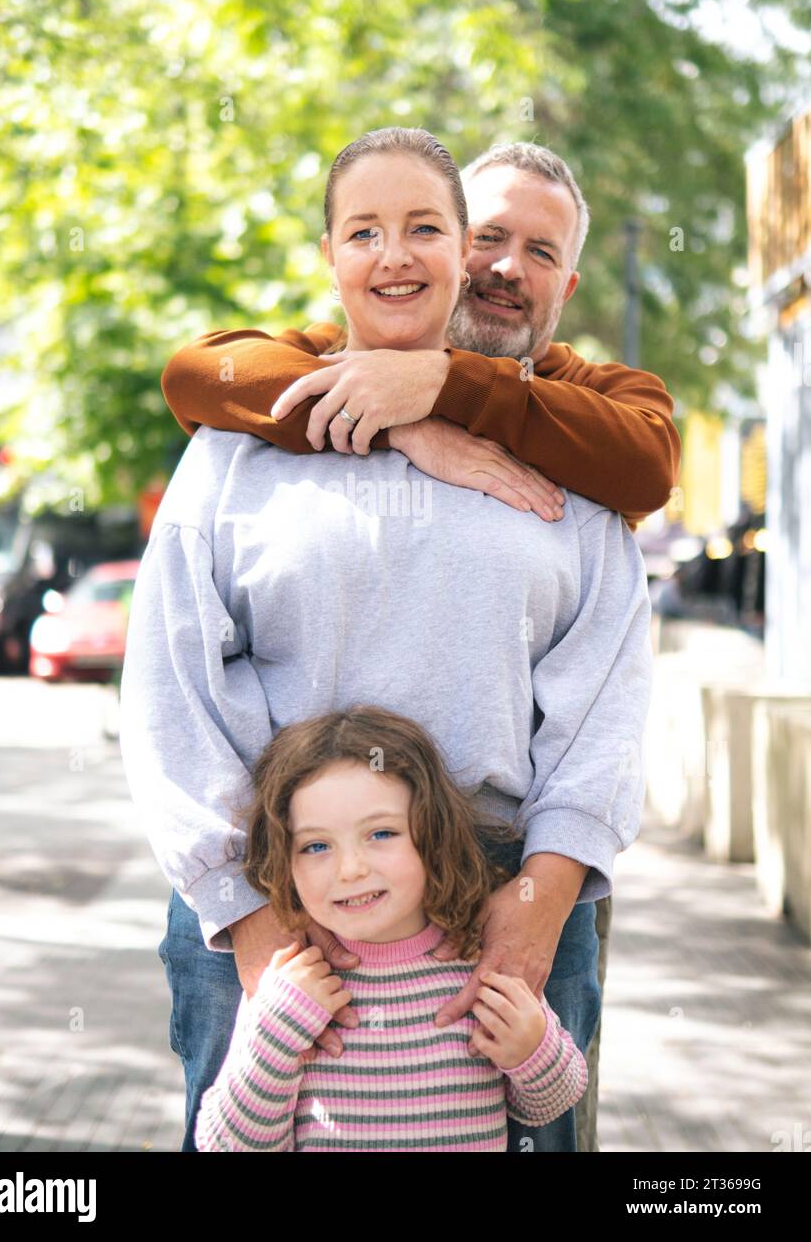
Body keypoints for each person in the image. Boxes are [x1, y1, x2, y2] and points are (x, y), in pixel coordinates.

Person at [119, 127, 657, 1156]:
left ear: (457, 256)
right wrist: (240, 909)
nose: (397, 255)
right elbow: (169, 687)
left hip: (505, 892)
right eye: (364, 231)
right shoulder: (243, 445)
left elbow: (606, 706)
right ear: (329, 255)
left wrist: (541, 901)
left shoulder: (571, 453)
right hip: (277, 887)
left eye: (424, 230)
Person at [195, 705, 588, 1152]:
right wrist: (274, 1035)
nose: (351, 868)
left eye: (381, 834)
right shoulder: (290, 985)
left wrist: (531, 1049)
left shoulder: (484, 963)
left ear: (432, 833)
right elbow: (228, 1145)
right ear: (284, 862)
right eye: (316, 845)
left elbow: (549, 1104)